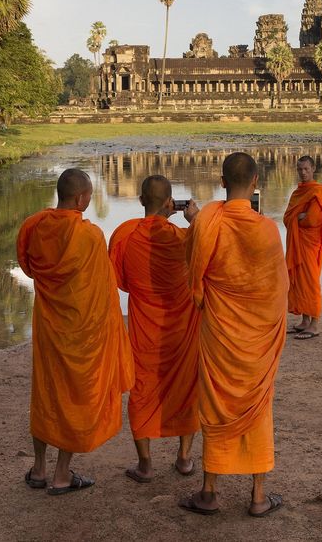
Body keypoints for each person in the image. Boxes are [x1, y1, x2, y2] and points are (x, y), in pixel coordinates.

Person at [180, 152, 288, 518]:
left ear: (222, 182)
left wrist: (195, 222)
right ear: (256, 182)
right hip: (256, 338)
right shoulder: (268, 230)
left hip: (220, 332)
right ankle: (258, 496)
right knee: (258, 407)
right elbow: (278, 290)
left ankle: (209, 491)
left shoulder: (208, 220)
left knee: (215, 403)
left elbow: (192, 264)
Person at [16, 168, 134, 495]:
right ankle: (61, 474)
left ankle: (38, 469)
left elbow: (27, 266)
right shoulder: (89, 236)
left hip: (49, 324)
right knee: (75, 397)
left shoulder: (35, 226)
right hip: (80, 332)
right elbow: (103, 290)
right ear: (82, 198)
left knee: (45, 394)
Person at [108, 175, 200, 483]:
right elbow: (205, 263)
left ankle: (145, 464)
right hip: (183, 329)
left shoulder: (124, 235)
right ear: (170, 203)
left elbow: (120, 281)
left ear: (140, 200)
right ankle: (184, 458)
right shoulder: (183, 237)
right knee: (187, 388)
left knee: (143, 389)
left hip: (145, 328)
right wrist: (194, 221)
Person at [284, 155, 322, 340]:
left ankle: (314, 324)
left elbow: (313, 220)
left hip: (310, 245)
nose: (303, 173)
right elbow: (287, 217)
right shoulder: (298, 193)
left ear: (313, 169)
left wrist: (300, 217)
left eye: (306, 169)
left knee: (311, 282)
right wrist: (298, 217)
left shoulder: (319, 192)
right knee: (300, 281)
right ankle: (305, 320)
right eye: (300, 169)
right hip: (298, 244)